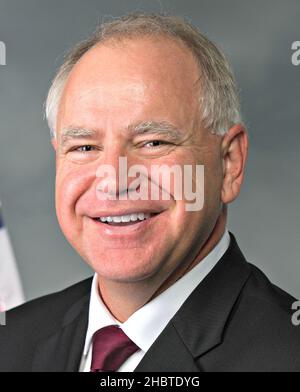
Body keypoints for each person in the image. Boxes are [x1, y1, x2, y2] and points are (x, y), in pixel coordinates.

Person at [1, 13, 299, 372]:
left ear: (229, 163)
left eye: (153, 142)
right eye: (84, 147)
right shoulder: (10, 341)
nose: (114, 180)